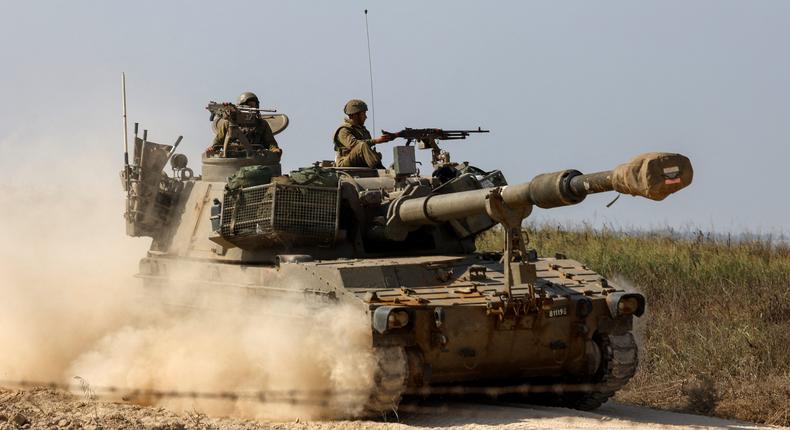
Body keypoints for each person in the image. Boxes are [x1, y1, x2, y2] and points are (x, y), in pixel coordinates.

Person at [211, 92, 281, 158]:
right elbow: (219, 140)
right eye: (247, 106)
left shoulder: (261, 124)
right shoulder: (229, 123)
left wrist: (274, 149)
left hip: (255, 157)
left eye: (253, 106)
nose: (250, 108)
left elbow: (270, 142)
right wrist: (213, 148)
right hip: (232, 157)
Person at [333, 99, 394, 168]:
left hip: (360, 161)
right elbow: (353, 144)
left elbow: (366, 149)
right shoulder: (343, 130)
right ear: (355, 115)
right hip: (344, 162)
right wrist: (376, 141)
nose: (366, 117)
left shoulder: (363, 130)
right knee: (362, 145)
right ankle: (380, 169)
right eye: (363, 114)